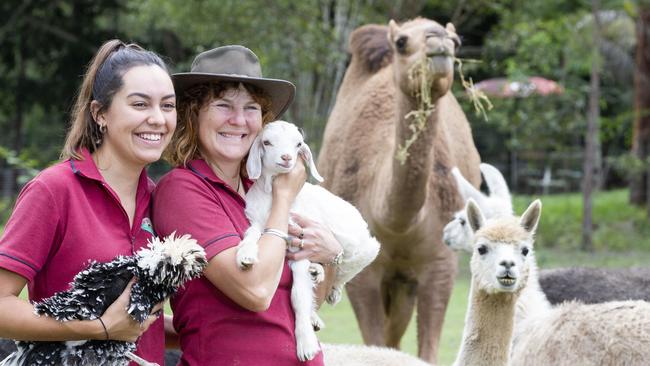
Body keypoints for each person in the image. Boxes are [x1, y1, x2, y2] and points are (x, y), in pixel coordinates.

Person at [152, 45, 343, 365]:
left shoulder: (260, 190)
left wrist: (330, 256)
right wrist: (283, 198)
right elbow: (254, 292)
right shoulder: (183, 189)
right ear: (193, 113)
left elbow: (304, 307)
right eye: (223, 105)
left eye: (251, 108)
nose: (238, 120)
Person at [0, 39, 177, 365]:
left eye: (167, 106)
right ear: (100, 114)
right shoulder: (54, 190)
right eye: (140, 105)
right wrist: (100, 328)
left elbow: (131, 324)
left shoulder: (161, 199)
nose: (158, 119)